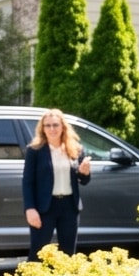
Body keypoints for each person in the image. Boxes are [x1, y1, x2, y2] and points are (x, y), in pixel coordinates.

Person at [21, 109, 91, 255]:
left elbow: (83, 181)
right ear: (42, 128)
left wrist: (85, 173)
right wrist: (30, 208)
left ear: (63, 127)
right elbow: (28, 182)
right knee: (39, 254)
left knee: (67, 255)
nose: (52, 129)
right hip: (44, 208)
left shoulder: (75, 149)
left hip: (69, 207)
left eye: (55, 125)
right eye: (48, 125)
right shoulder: (35, 150)